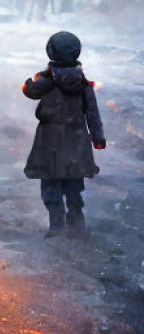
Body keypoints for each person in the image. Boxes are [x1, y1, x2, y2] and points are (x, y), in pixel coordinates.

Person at [22, 30, 106, 239]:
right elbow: (92, 112)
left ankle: (56, 225)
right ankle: (77, 223)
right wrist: (98, 138)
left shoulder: (47, 80)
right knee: (73, 183)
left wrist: (30, 81)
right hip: (76, 138)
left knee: (51, 183)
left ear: (51, 51)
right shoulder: (83, 83)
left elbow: (30, 91)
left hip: (49, 139)